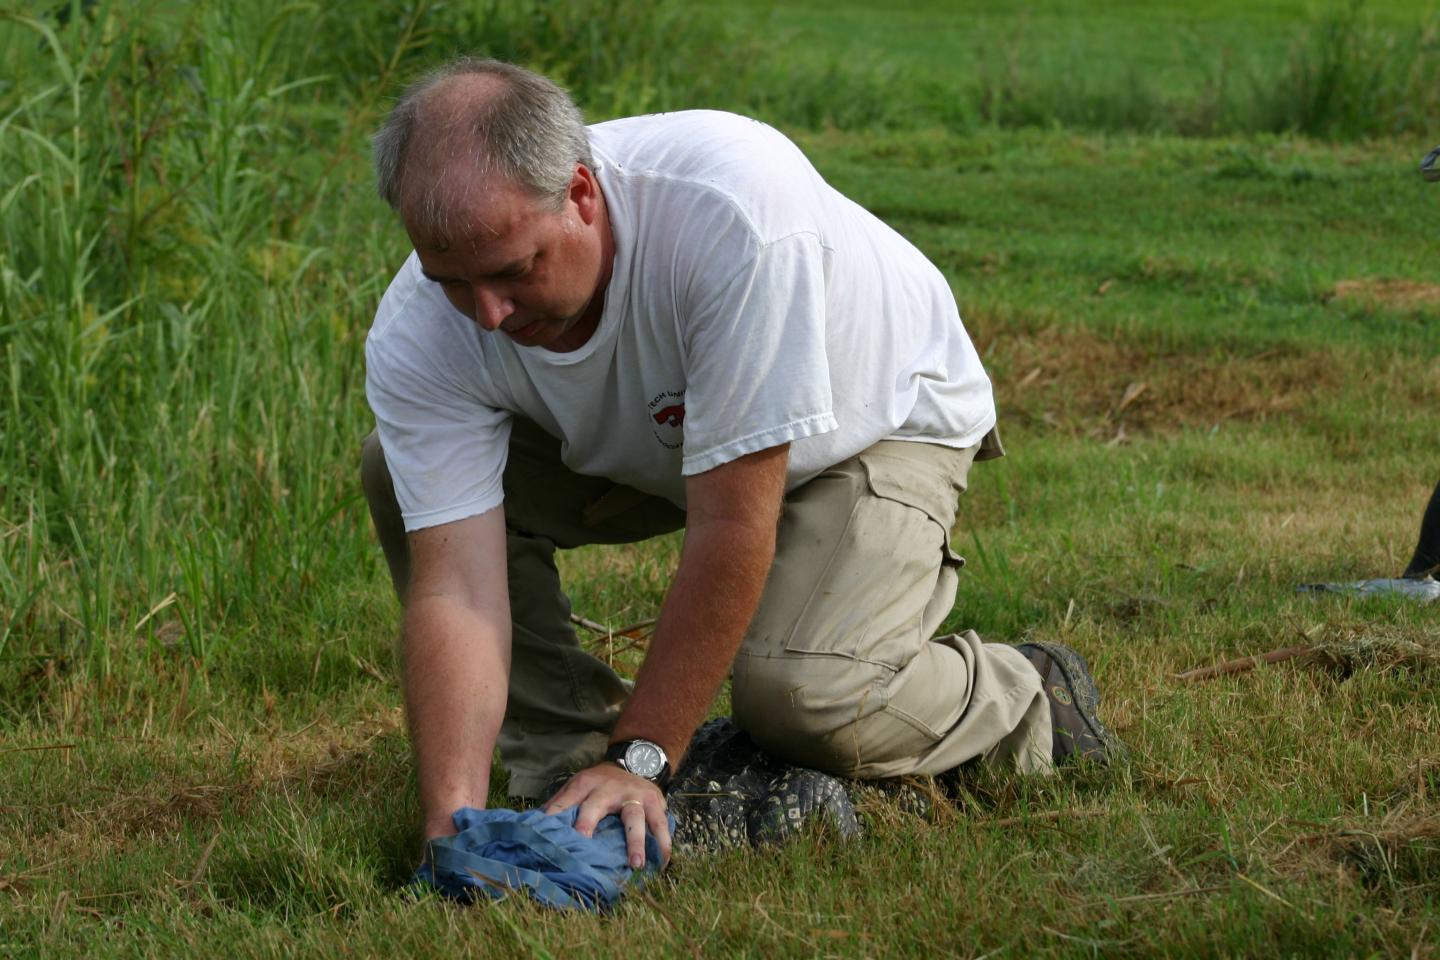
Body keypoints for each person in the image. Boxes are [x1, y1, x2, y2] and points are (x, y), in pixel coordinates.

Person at [361, 57, 1124, 873]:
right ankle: (564, 774)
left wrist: (645, 755)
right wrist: (449, 828)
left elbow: (733, 525)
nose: (489, 313)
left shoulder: (731, 213)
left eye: (515, 270)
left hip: (873, 420)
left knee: (801, 696)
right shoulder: (420, 329)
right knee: (393, 472)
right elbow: (457, 589)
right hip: (676, 437)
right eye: (453, 283)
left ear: (581, 195)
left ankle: (1025, 697)